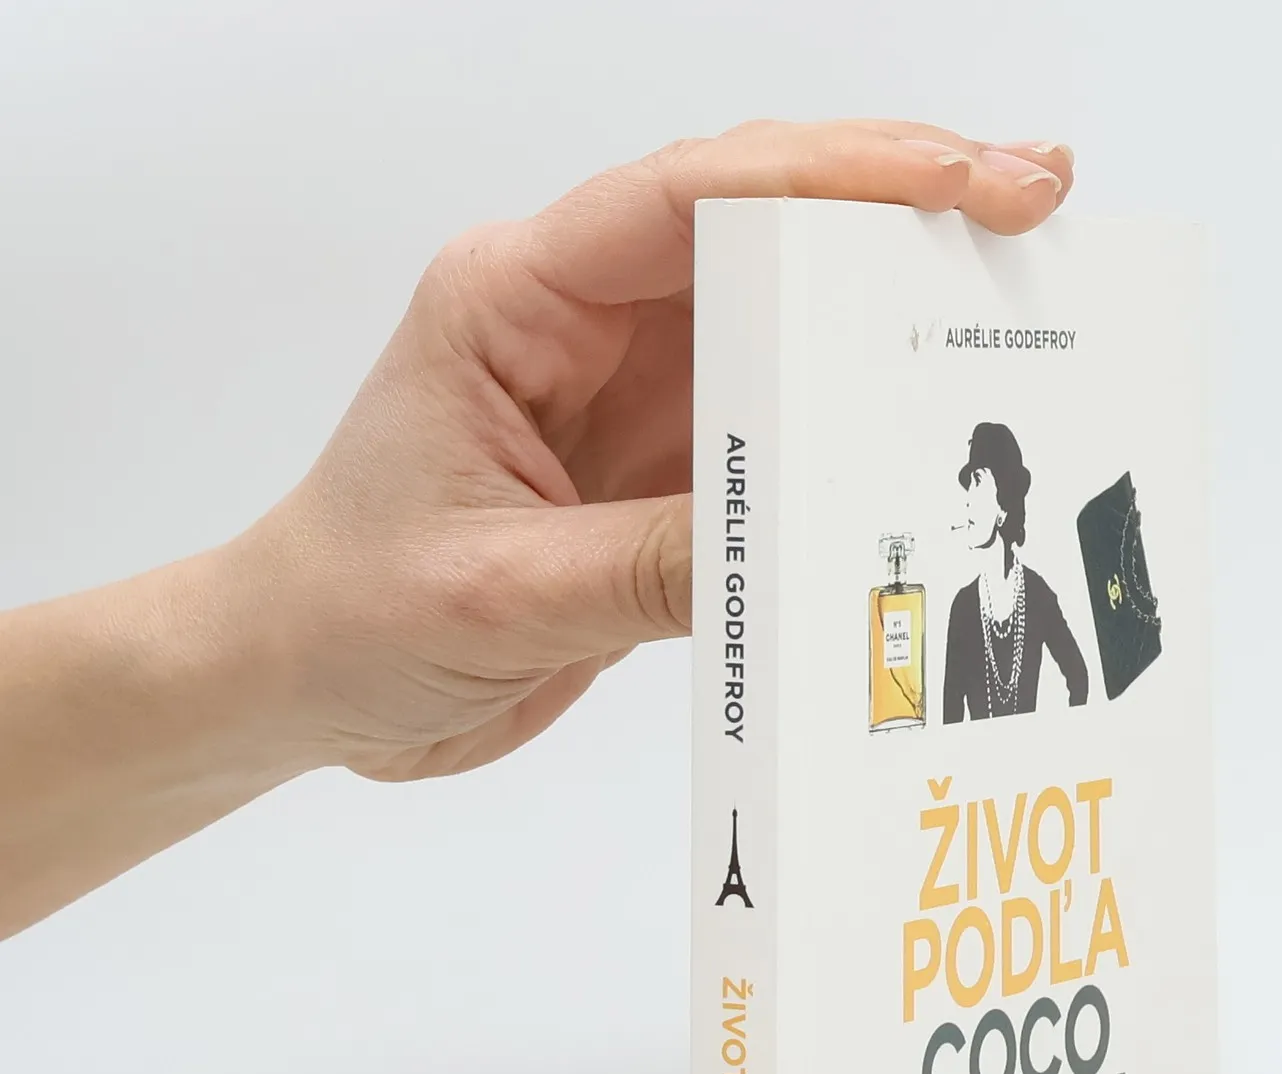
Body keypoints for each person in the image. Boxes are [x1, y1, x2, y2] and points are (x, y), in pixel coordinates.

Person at [0, 120, 1074, 943]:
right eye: (961, 481)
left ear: (1010, 501)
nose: (959, 499)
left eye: (977, 486)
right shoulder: (943, 609)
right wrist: (284, 647)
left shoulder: (1039, 602)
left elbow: (1072, 691)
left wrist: (280, 658)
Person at [942, 421, 1090, 723]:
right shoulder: (963, 607)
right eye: (969, 485)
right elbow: (950, 717)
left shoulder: (1037, 595)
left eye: (978, 481)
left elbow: (1079, 677)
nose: (968, 498)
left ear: (1003, 507)